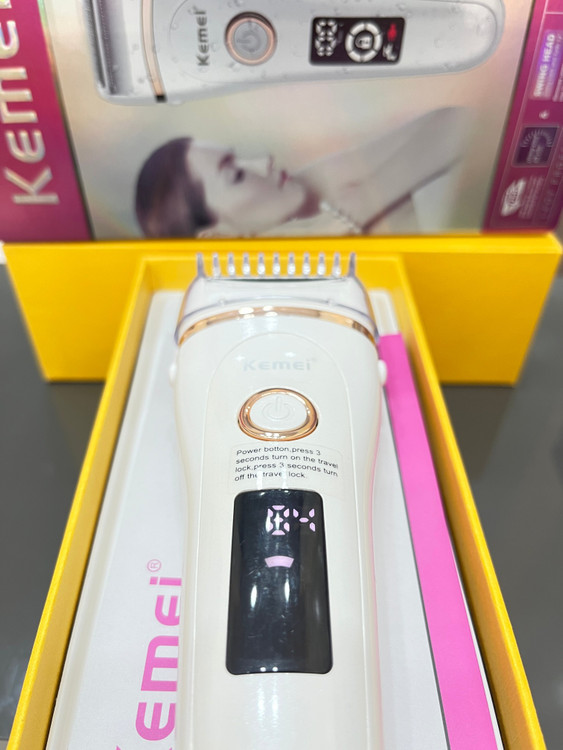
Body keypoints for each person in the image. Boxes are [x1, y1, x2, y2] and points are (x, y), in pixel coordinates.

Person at [135, 108, 466, 238]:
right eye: (236, 175)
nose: (264, 161)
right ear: (216, 238)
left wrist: (355, 206)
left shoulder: (304, 195)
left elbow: (459, 124)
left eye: (238, 160)